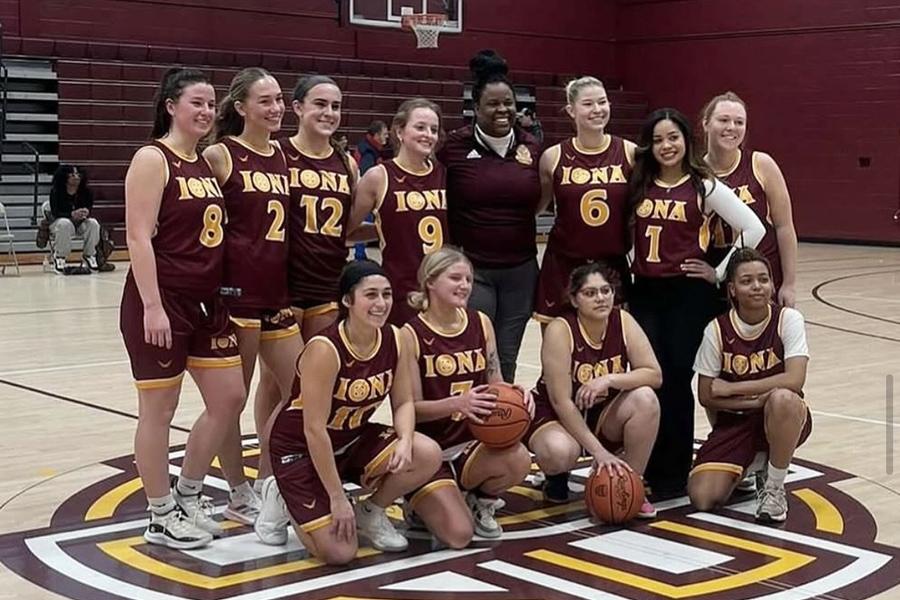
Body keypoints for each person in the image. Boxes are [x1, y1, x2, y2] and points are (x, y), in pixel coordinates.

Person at [119, 68, 246, 548]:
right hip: (163, 300)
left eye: (212, 104)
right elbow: (137, 235)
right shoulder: (153, 158)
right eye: (197, 102)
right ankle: (158, 515)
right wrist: (152, 306)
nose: (207, 112)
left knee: (229, 396)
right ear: (171, 105)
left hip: (206, 302)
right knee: (158, 408)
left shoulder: (204, 165)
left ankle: (188, 493)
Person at [262, 261, 441, 564]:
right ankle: (281, 494)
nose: (381, 303)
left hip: (351, 438)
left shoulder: (396, 338)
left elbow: (403, 402)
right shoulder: (325, 348)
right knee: (339, 553)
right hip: (301, 448)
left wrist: (407, 440)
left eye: (386, 294)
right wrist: (336, 497)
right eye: (371, 295)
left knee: (427, 453)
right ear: (347, 300)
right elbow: (314, 430)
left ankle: (369, 511)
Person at [627, 108, 766, 500]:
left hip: (687, 295)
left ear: (687, 140)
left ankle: (671, 476)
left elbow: (754, 227)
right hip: (645, 292)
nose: (666, 146)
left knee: (675, 381)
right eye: (658, 139)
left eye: (673, 137)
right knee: (649, 379)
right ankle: (649, 464)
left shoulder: (703, 184)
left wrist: (719, 273)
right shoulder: (640, 182)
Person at [204, 67, 302, 523]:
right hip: (235, 295)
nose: (276, 107)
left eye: (279, 99)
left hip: (277, 294)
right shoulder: (222, 155)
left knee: (299, 388)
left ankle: (266, 480)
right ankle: (237, 490)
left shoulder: (284, 155)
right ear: (241, 107)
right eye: (265, 100)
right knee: (232, 399)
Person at [400, 247, 532, 543]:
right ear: (430, 282)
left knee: (520, 457)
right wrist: (457, 403)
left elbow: (495, 382)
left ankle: (481, 501)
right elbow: (410, 408)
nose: (465, 285)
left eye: (469, 279)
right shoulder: (410, 333)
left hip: (472, 443)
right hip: (431, 450)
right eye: (455, 278)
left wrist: (515, 392)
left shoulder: (481, 322)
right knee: (459, 536)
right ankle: (416, 499)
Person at [437, 49, 542, 382]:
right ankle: (466, 424)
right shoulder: (452, 147)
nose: (503, 110)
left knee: (507, 356)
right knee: (475, 352)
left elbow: (544, 196)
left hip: (521, 271)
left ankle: (500, 427)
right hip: (473, 270)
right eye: (494, 104)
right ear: (476, 108)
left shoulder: (533, 146)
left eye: (508, 103)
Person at [526, 263, 661, 516]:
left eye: (606, 290)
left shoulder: (623, 320)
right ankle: (556, 475)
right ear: (574, 300)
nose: (600, 298)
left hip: (601, 410)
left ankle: (630, 485)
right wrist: (599, 453)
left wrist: (609, 380)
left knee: (646, 399)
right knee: (560, 452)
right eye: (590, 293)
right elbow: (561, 401)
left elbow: (654, 374)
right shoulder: (560, 329)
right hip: (556, 414)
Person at [689, 248, 811, 522]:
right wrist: (756, 399)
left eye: (764, 279)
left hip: (780, 417)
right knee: (703, 498)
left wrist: (733, 389)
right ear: (732, 289)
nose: (757, 286)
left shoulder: (788, 320)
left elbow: (794, 379)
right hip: (734, 422)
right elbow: (706, 396)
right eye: (747, 281)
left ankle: (774, 487)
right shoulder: (716, 330)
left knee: (783, 399)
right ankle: (751, 464)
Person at [534, 76, 634, 323]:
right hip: (563, 264)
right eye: (588, 104)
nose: (597, 110)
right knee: (558, 345)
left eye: (602, 102)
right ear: (571, 110)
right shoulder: (552, 157)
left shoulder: (631, 153)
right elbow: (537, 208)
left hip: (612, 265)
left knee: (610, 348)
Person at [351, 98, 447, 326]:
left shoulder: (444, 173)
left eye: (434, 129)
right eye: (420, 127)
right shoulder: (378, 176)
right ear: (400, 131)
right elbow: (345, 230)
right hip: (401, 290)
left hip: (441, 288)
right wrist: (385, 230)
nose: (428, 134)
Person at [280, 75, 360, 340]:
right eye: (320, 104)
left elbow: (347, 228)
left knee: (316, 368)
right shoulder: (277, 154)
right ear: (298, 107)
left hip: (328, 282)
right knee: (276, 378)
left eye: (335, 106)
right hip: (283, 281)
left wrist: (387, 230)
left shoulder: (347, 163)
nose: (329, 113)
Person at [702, 91, 799, 307]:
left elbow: (784, 227)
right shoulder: (695, 173)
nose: (731, 127)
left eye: (739, 122)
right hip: (716, 279)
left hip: (759, 278)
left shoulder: (761, 164)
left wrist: (789, 284)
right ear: (706, 124)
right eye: (723, 120)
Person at [48, 164, 101, 272]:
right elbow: (55, 212)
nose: (76, 177)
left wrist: (85, 212)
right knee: (64, 223)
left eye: (78, 174)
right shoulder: (56, 191)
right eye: (72, 174)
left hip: (80, 223)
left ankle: (89, 255)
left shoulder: (86, 192)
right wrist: (71, 214)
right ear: (64, 177)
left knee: (93, 223)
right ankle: (60, 256)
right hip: (59, 222)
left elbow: (89, 208)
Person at [352, 120, 391, 261]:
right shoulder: (369, 151)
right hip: (366, 195)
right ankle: (360, 255)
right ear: (375, 135)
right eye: (384, 134)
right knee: (364, 223)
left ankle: (360, 254)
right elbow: (366, 172)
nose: (387, 137)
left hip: (365, 193)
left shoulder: (369, 147)